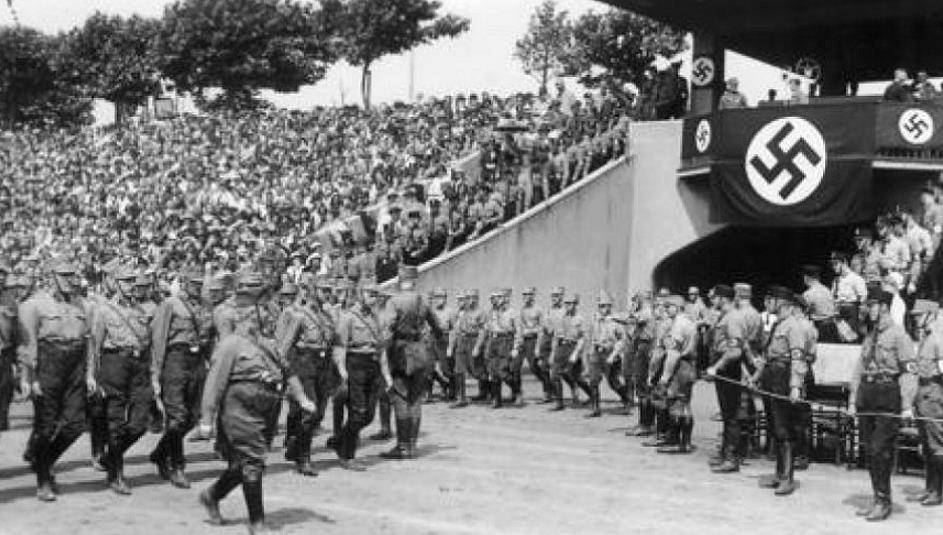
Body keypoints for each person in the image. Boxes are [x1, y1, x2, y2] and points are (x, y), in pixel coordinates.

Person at [197, 271, 318, 534]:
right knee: (253, 462)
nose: (263, 316)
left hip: (267, 407)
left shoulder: (269, 345)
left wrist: (302, 398)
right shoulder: (230, 344)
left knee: (245, 464)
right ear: (244, 316)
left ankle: (212, 495)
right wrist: (207, 420)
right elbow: (214, 383)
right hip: (239, 406)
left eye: (262, 312)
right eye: (257, 312)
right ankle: (257, 523)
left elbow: (288, 372)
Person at [18, 260, 91, 502]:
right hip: (48, 364)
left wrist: (89, 373)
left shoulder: (81, 304)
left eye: (72, 274)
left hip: (74, 366)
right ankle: (43, 480)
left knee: (76, 424)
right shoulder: (33, 305)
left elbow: (87, 342)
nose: (70, 279)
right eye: (64, 275)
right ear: (51, 276)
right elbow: (28, 347)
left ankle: (44, 460)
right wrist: (29, 378)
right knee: (46, 426)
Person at [849, 288, 917, 522]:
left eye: (872, 305)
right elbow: (859, 367)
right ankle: (877, 498)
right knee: (870, 451)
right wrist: (852, 398)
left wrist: (907, 403)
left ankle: (883, 500)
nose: (868, 310)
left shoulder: (900, 336)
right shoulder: (870, 336)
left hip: (888, 394)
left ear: (884, 307)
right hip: (867, 394)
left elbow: (909, 373)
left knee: (880, 450)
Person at [86, 267, 154, 495]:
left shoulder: (140, 310)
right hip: (114, 363)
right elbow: (94, 347)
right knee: (114, 422)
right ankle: (115, 475)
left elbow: (148, 344)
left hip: (138, 366)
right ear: (116, 283)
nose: (131, 285)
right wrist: (92, 376)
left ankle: (109, 456)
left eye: (133, 281)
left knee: (140, 422)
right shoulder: (103, 310)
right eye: (126, 281)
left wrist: (152, 373)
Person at [150, 270, 214, 488]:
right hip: (175, 360)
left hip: (197, 362)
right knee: (177, 417)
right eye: (193, 282)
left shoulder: (206, 306)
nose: (197, 286)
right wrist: (156, 373)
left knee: (194, 415)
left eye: (200, 282)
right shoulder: (170, 304)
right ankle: (177, 466)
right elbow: (158, 339)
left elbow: (208, 338)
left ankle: (160, 452)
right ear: (184, 283)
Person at [749, 287, 807, 495]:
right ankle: (779, 473)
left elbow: (798, 359)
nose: (767, 304)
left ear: (781, 303)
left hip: (783, 377)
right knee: (775, 427)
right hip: (770, 376)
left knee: (784, 429)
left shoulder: (793, 327)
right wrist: (755, 378)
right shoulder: (777, 325)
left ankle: (787, 478)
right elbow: (766, 357)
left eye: (770, 300)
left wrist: (794, 387)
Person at [276, 277, 335, 476]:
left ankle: (295, 447)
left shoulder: (326, 316)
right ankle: (304, 458)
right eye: (323, 290)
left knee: (318, 413)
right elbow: (284, 346)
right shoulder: (299, 315)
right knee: (309, 411)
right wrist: (281, 372)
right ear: (312, 291)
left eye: (329, 290)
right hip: (304, 364)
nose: (327, 294)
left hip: (322, 365)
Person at [380, 266, 442, 459]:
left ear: (400, 279)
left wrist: (382, 351)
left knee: (401, 398)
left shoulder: (394, 301)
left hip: (400, 352)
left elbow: (388, 330)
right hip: (421, 351)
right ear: (414, 280)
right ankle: (413, 446)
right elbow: (437, 327)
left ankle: (403, 446)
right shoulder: (423, 300)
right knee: (416, 398)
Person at [331, 277, 391, 469]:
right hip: (355, 364)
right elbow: (340, 346)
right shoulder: (348, 317)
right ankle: (348, 456)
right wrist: (342, 370)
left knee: (369, 415)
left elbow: (380, 349)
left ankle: (340, 439)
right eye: (370, 294)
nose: (373, 298)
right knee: (358, 413)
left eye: (376, 295)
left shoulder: (375, 318)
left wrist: (387, 375)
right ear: (361, 295)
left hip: (372, 366)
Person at [705, 284, 744, 472]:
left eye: (714, 298)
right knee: (727, 414)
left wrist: (716, 367)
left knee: (731, 415)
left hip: (729, 369)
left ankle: (731, 458)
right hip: (724, 369)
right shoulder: (725, 317)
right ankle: (726, 454)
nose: (712, 301)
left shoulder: (733, 318)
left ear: (723, 298)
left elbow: (735, 351)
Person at [908, 299, 943, 506]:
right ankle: (929, 487)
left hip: (933, 394)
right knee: (927, 445)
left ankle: (938, 491)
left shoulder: (938, 339)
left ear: (931, 315)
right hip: (922, 393)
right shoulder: (925, 338)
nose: (916, 319)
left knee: (937, 445)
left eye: (919, 315)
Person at [653, 295, 698, 454]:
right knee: (685, 404)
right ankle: (686, 442)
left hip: (681, 367)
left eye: (668, 307)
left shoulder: (678, 324)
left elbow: (673, 354)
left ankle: (675, 441)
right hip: (690, 367)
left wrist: (664, 378)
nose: (665, 310)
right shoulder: (689, 322)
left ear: (677, 307)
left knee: (675, 404)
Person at [586, 290, 629, 417]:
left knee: (613, 382)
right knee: (593, 380)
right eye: (601, 306)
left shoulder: (615, 321)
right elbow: (590, 336)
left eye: (606, 306)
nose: (603, 309)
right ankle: (595, 408)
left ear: (610, 306)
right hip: (596, 353)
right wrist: (589, 353)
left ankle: (626, 399)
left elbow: (622, 340)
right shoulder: (594, 320)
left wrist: (614, 355)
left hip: (610, 354)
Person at [548, 293, 591, 411]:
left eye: (570, 303)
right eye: (566, 303)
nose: (568, 306)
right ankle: (559, 402)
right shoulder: (561, 318)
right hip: (561, 348)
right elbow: (556, 336)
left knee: (577, 377)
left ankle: (592, 396)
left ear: (575, 304)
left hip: (573, 347)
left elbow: (582, 338)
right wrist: (553, 353)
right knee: (554, 375)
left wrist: (576, 353)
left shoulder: (580, 319)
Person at [448, 289, 488, 407]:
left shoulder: (481, 313)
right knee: (458, 369)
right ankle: (461, 398)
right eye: (468, 297)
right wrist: (451, 346)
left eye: (473, 297)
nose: (470, 300)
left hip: (474, 340)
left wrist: (477, 346)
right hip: (462, 341)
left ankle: (487, 391)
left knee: (476, 370)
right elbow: (455, 330)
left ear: (477, 299)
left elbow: (482, 331)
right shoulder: (461, 313)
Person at [518, 287, 552, 403]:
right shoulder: (523, 310)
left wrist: (538, 346)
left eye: (529, 295)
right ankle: (549, 388)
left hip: (536, 339)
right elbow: (522, 326)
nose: (527, 297)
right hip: (526, 340)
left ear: (533, 296)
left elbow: (543, 328)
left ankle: (547, 392)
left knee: (540, 366)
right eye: (525, 295)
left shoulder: (538, 310)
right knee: (533, 367)